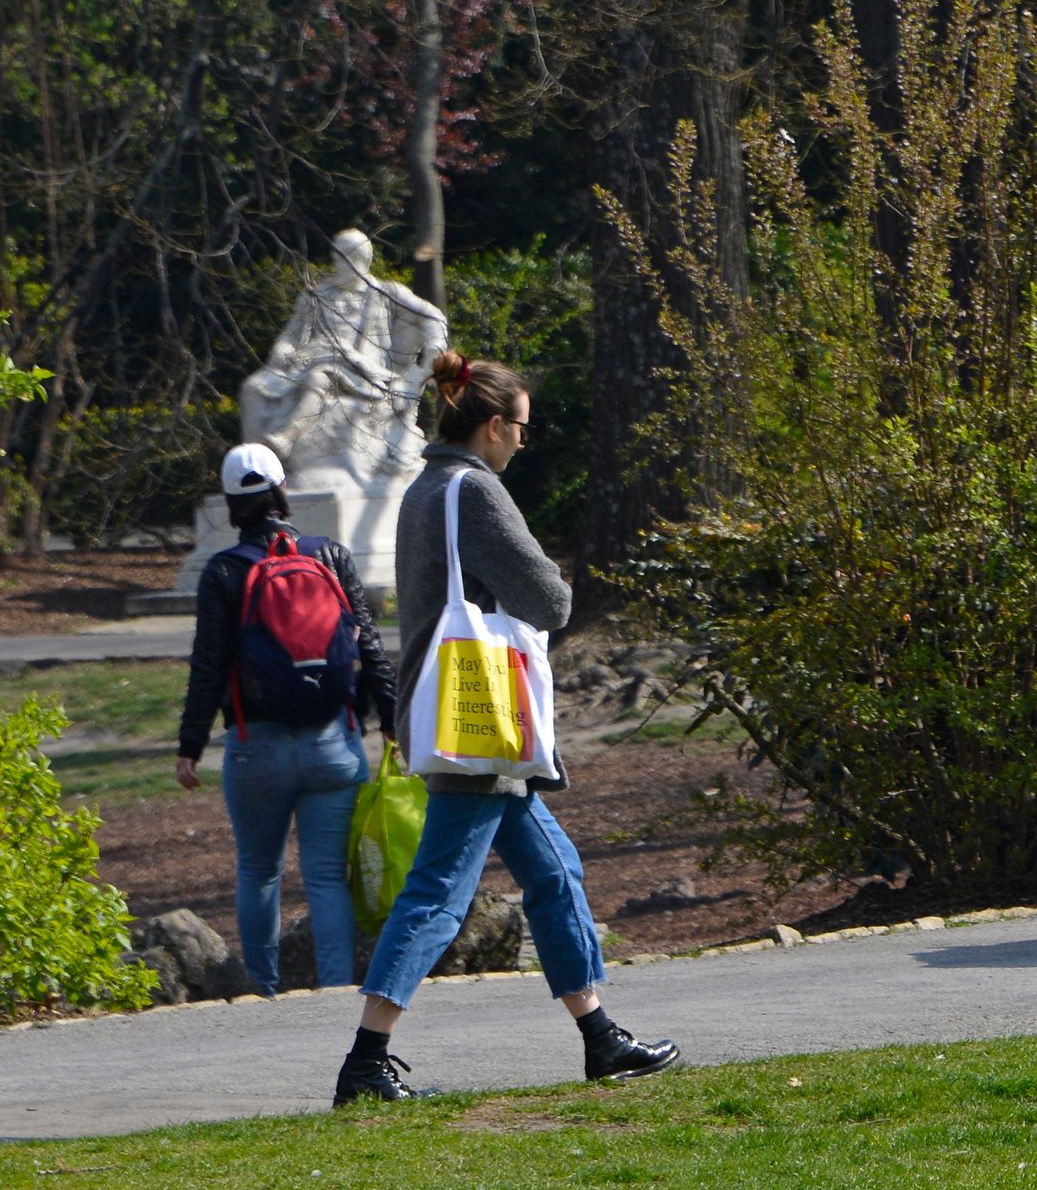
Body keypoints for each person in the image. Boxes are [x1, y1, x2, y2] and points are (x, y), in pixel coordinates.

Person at [336, 354, 681, 1103]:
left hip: (458, 718)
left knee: (555, 874)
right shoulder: (476, 492)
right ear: (492, 425)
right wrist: (550, 572)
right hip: (481, 727)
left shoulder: (425, 489)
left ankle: (601, 1039)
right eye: (520, 428)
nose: (524, 442)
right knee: (435, 897)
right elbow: (551, 602)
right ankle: (364, 1061)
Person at [176, 444, 397, 995]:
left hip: (256, 747)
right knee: (326, 877)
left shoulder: (224, 572)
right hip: (334, 744)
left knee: (258, 871)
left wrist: (191, 742)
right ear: (281, 492)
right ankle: (339, 992)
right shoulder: (330, 556)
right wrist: (391, 716)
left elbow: (209, 664)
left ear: (232, 502)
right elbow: (367, 642)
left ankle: (263, 990)